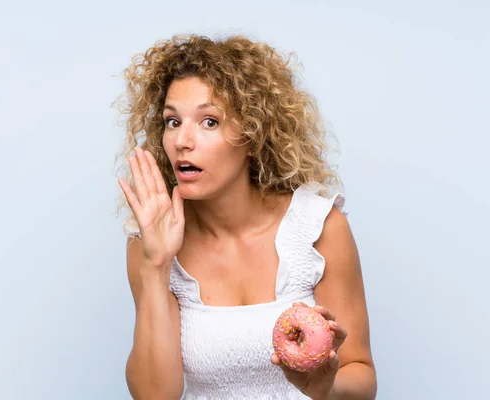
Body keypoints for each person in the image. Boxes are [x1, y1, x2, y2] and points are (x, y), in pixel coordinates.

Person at [116, 34, 377, 399]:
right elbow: (155, 395)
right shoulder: (150, 243)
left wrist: (324, 387)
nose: (182, 141)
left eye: (209, 121)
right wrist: (157, 264)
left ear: (253, 134)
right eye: (172, 122)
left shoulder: (319, 228)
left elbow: (361, 377)